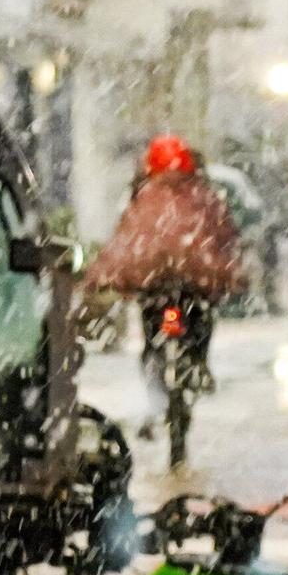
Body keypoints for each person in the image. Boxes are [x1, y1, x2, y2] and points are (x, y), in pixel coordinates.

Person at [85, 134, 245, 469]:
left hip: (156, 290)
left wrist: (102, 276)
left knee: (153, 344)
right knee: (199, 327)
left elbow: (125, 241)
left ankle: (155, 388)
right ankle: (198, 365)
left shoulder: (143, 195)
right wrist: (231, 274)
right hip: (191, 289)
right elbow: (224, 235)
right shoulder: (203, 194)